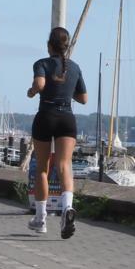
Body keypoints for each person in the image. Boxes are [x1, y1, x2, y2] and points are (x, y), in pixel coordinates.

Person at [26, 26, 87, 239]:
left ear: (49, 45)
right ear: (66, 46)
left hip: (46, 116)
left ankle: (40, 219)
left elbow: (40, 83)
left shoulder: (41, 63)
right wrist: (67, 90)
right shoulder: (75, 67)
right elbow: (84, 98)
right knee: (64, 165)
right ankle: (67, 207)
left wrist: (32, 91)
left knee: (42, 168)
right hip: (66, 119)